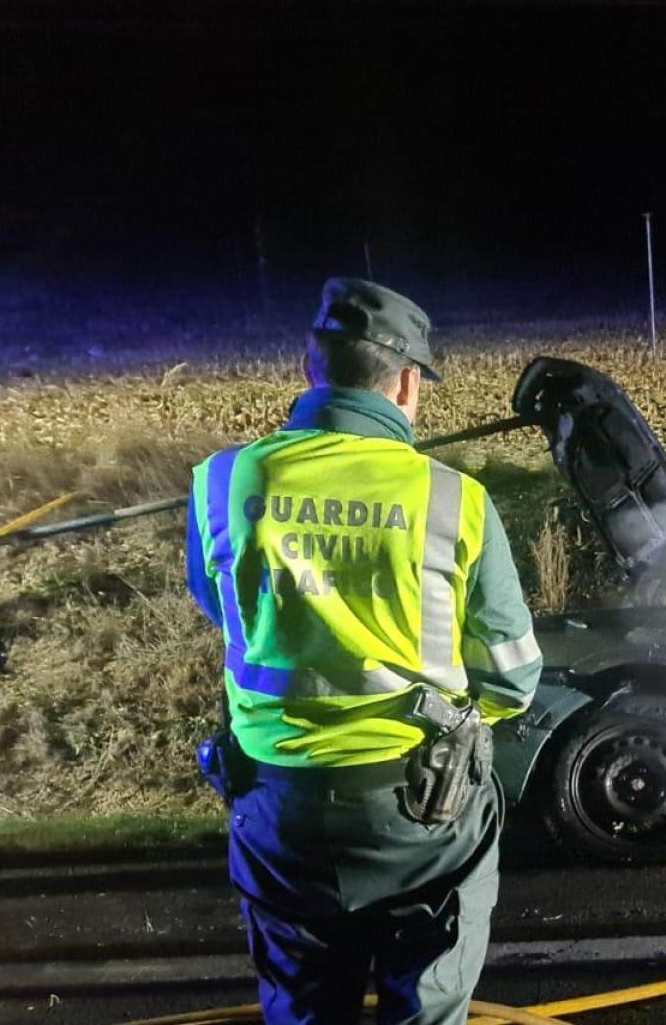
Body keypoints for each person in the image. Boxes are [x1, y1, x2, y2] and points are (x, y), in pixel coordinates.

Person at [186, 277, 541, 1024]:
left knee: (306, 1007)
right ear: (408, 381)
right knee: (427, 1002)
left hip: (275, 806)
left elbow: (221, 604)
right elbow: (513, 678)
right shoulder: (454, 499)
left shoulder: (222, 482)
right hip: (420, 810)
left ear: (310, 365)